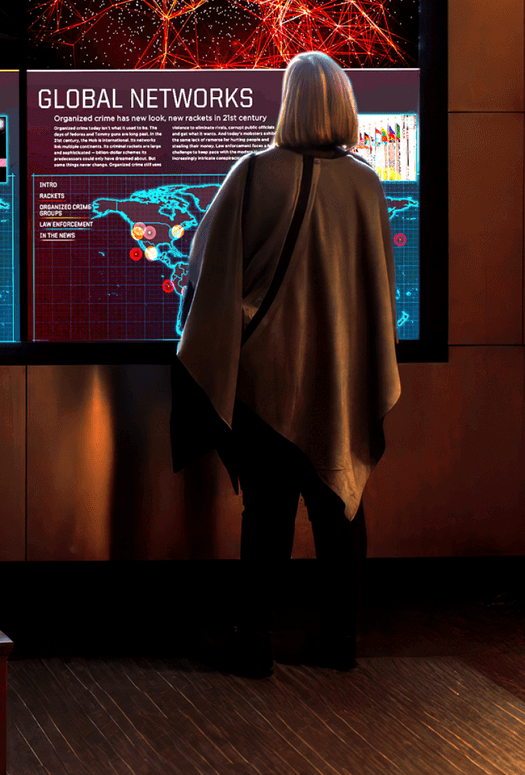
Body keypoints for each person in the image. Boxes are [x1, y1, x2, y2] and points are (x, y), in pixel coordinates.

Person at [172, 51, 400, 677]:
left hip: (264, 379)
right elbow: (379, 292)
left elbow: (204, 269)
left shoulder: (253, 174)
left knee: (266, 514)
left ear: (289, 103)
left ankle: (253, 641)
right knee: (341, 507)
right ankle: (341, 640)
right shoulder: (367, 185)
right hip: (340, 379)